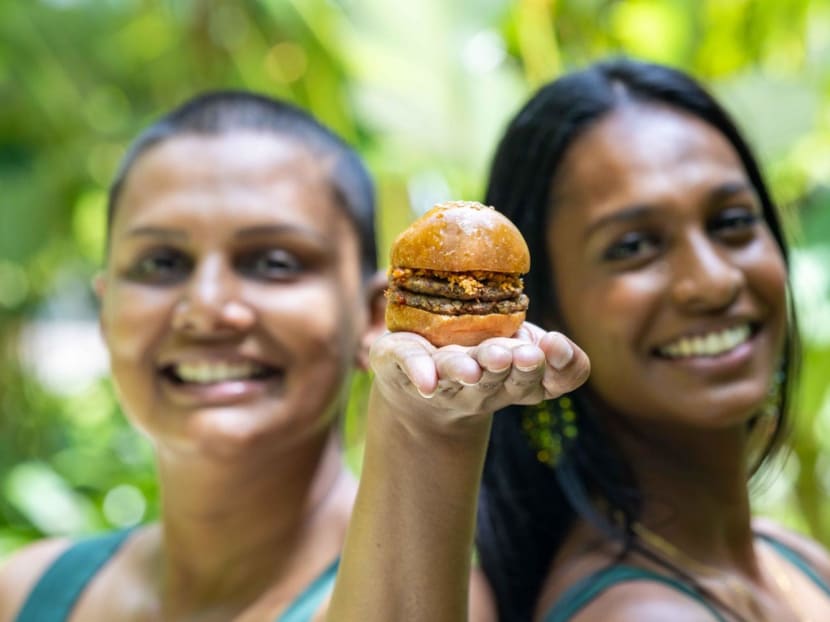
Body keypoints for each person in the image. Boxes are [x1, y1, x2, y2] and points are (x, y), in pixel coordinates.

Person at [327, 58, 830, 621]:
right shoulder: (638, 612)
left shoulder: (789, 557)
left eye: (732, 221)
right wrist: (424, 425)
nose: (712, 281)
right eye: (633, 246)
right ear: (541, 301)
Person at [0, 91, 386, 621]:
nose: (206, 309)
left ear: (374, 318)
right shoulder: (24, 593)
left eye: (273, 262)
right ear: (104, 311)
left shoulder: (435, 601)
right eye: (161, 263)